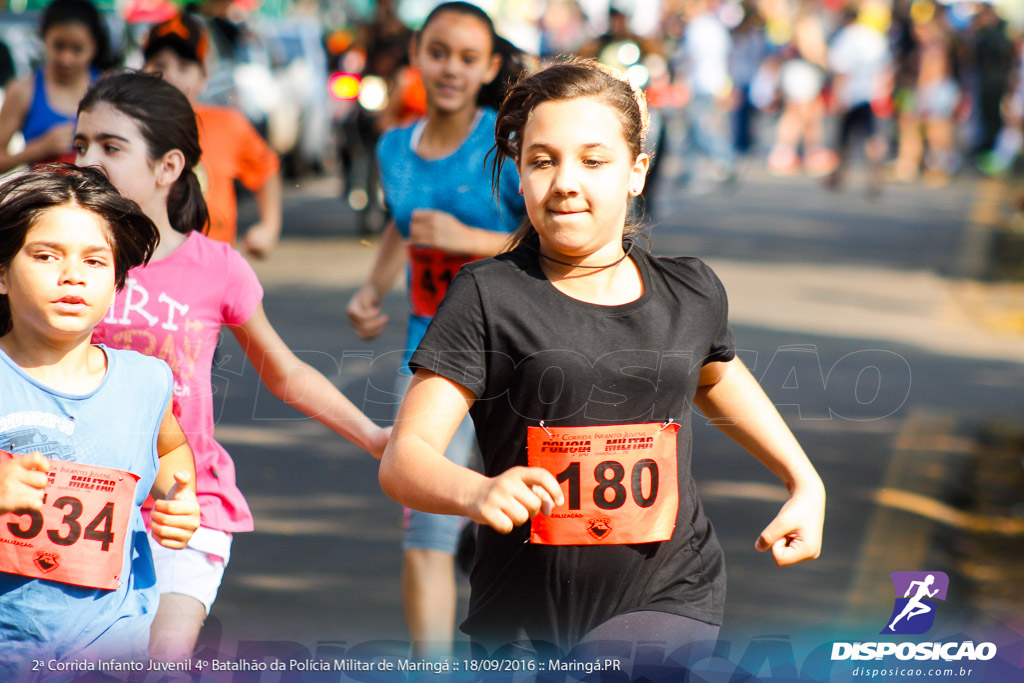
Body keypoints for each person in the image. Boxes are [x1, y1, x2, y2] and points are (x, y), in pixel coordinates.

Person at [379, 59, 826, 676]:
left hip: (671, 594)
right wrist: (479, 491)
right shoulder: (488, 295)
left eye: (593, 160)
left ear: (636, 171)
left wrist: (803, 480)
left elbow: (718, 379)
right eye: (542, 160)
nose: (565, 181)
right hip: (520, 624)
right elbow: (405, 459)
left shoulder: (689, 292)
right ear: (519, 172)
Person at [73, 72, 390, 662]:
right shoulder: (60, 259)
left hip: (183, 506)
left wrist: (372, 435)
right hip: (78, 505)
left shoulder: (217, 267)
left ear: (169, 167)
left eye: (110, 147)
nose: (88, 160)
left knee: (158, 664)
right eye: (82, 144)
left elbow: (286, 373)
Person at [346, 1, 524, 659]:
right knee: (427, 530)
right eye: (439, 52)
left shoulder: (506, 149)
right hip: (433, 357)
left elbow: (561, 244)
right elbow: (404, 222)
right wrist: (371, 288)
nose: (451, 68)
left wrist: (472, 239)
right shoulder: (394, 145)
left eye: (467, 57)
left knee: (530, 527)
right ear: (418, 56)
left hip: (520, 359)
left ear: (490, 67)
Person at [0, 165, 200, 676]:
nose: (72, 275)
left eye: (94, 260)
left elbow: (170, 448)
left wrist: (180, 498)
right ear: (2, 272)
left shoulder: (147, 380)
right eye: (45, 256)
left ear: (116, 281)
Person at [142, 12, 283, 258]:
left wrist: (269, 227)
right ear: (143, 70)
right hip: (147, 271)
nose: (171, 76)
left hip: (214, 270)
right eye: (159, 65)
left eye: (185, 67)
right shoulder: (130, 129)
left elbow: (267, 170)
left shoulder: (229, 125)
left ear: (204, 75)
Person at [0, 0, 112, 174]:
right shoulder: (23, 90)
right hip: (46, 197)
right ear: (44, 39)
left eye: (77, 49)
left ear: (94, 47)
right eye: (59, 46)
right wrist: (40, 148)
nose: (66, 59)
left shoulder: (109, 88)